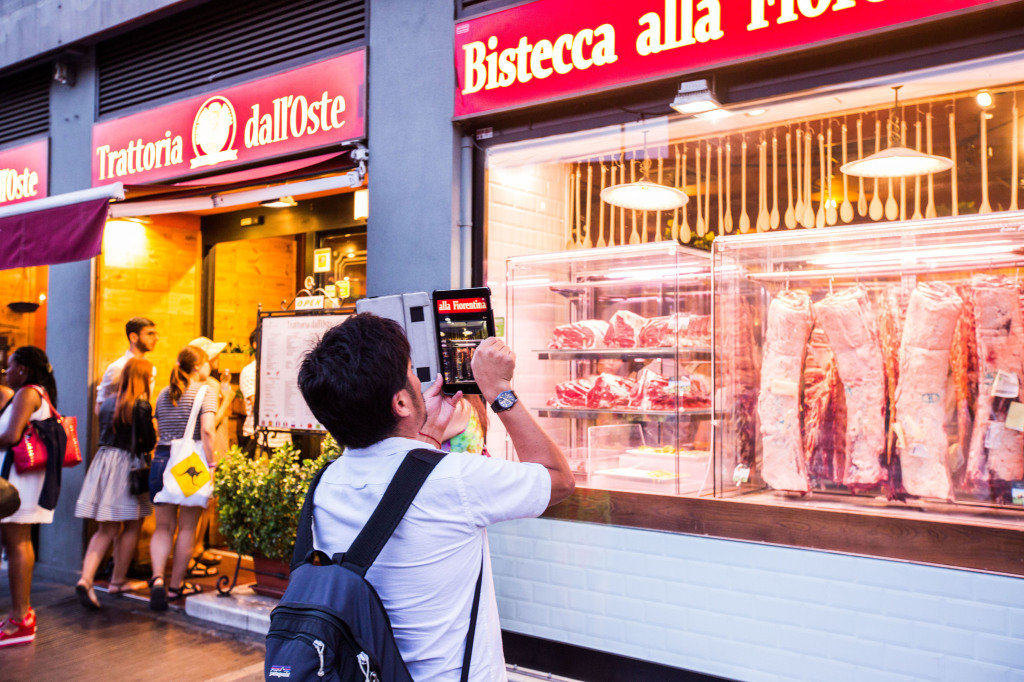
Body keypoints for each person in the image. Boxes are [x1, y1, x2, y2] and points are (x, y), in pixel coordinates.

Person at [297, 313, 574, 680]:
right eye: (411, 371)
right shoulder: (456, 477)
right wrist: (498, 391)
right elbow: (558, 479)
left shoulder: (325, 483)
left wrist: (424, 435)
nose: (418, 378)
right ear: (400, 403)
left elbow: (401, 484)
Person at [73, 357, 157, 610]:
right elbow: (149, 442)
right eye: (150, 376)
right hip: (127, 467)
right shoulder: (140, 405)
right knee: (132, 524)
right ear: (142, 378)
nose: (152, 380)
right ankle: (118, 581)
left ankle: (86, 579)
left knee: (105, 529)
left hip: (104, 463)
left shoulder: (109, 403)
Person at [148, 345, 217, 611]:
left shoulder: (164, 393)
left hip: (161, 460)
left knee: (162, 527)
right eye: (208, 362)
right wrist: (212, 464)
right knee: (187, 528)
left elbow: (160, 428)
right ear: (198, 367)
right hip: (189, 465)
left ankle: (156, 579)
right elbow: (208, 431)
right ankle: (175, 586)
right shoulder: (205, 392)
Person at [0, 346, 60, 647]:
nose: (5, 370)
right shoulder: (34, 392)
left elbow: (11, 436)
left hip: (17, 482)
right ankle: (21, 615)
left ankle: (20, 619)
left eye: (9, 366)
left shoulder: (27, 393)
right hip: (21, 480)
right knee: (17, 543)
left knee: (17, 543)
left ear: (22, 368)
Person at [187, 336, 233, 576]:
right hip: (208, 450)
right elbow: (210, 424)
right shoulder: (209, 386)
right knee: (203, 503)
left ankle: (197, 549)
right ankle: (194, 551)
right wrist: (229, 400)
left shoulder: (187, 385)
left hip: (200, 451)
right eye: (212, 355)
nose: (216, 358)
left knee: (202, 503)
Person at [238, 328, 290, 452]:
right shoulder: (250, 371)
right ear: (255, 345)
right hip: (258, 436)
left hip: (283, 438)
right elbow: (258, 405)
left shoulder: (283, 369)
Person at [96, 317, 158, 416]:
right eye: (150, 334)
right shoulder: (118, 367)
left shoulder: (151, 368)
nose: (156, 338)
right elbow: (101, 405)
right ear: (133, 337)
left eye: (155, 334)